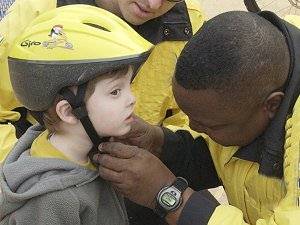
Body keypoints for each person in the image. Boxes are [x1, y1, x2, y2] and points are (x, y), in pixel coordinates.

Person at [93, 11, 300, 225]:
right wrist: (160, 142)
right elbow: (222, 158)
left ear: (272, 105)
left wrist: (168, 197)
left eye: (210, 125)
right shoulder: (249, 95)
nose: (193, 126)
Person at [0, 5, 152, 225]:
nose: (132, 99)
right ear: (69, 111)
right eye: (115, 92)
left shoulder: (90, 153)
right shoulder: (53, 200)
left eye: (129, 86)